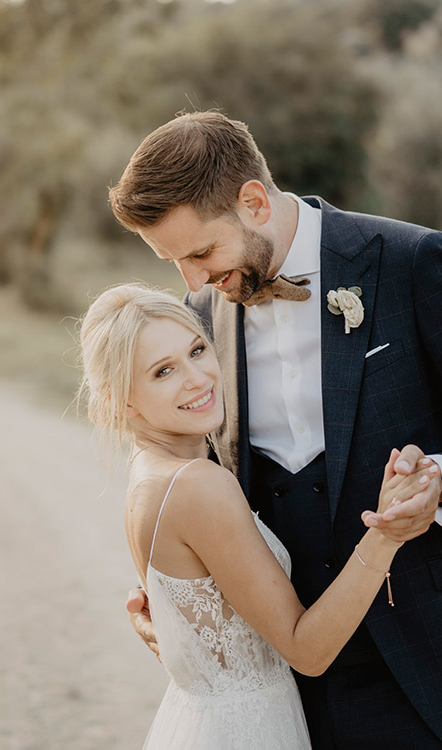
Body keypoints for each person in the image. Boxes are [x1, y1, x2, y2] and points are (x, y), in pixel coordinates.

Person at [109, 111, 442, 747]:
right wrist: (182, 604)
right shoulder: (200, 313)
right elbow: (194, 487)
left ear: (254, 201)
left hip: (422, 653)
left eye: (202, 252)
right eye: (173, 260)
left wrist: (437, 486)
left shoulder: (410, 262)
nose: (194, 282)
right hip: (283, 676)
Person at [78, 283, 437, 749]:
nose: (198, 378)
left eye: (197, 349)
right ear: (120, 402)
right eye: (163, 371)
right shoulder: (197, 485)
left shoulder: (147, 474)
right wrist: (387, 531)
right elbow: (306, 651)